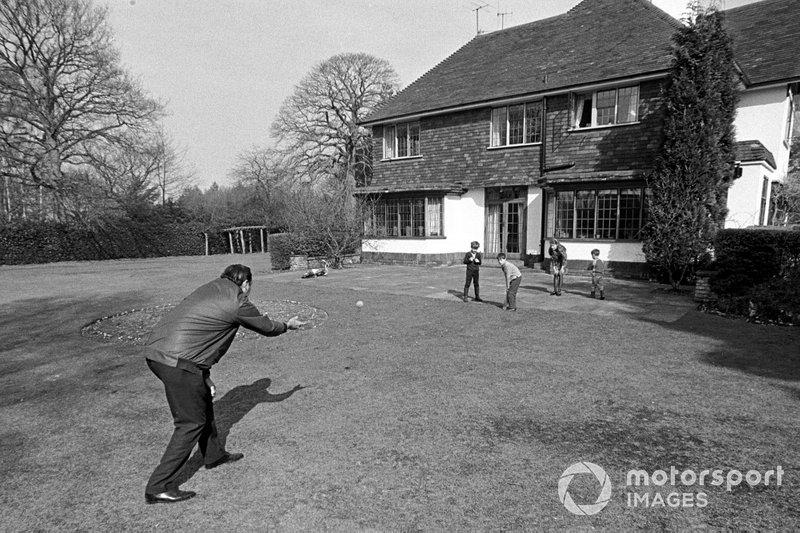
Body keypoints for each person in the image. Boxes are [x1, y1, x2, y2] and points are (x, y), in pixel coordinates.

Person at [143, 264, 305, 504]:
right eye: (250, 286)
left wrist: (203, 375)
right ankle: (158, 486)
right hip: (177, 362)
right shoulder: (237, 300)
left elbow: (200, 334)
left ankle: (213, 455)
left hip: (159, 354)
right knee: (190, 423)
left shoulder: (210, 288)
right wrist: (287, 326)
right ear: (246, 283)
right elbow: (266, 326)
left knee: (203, 406)